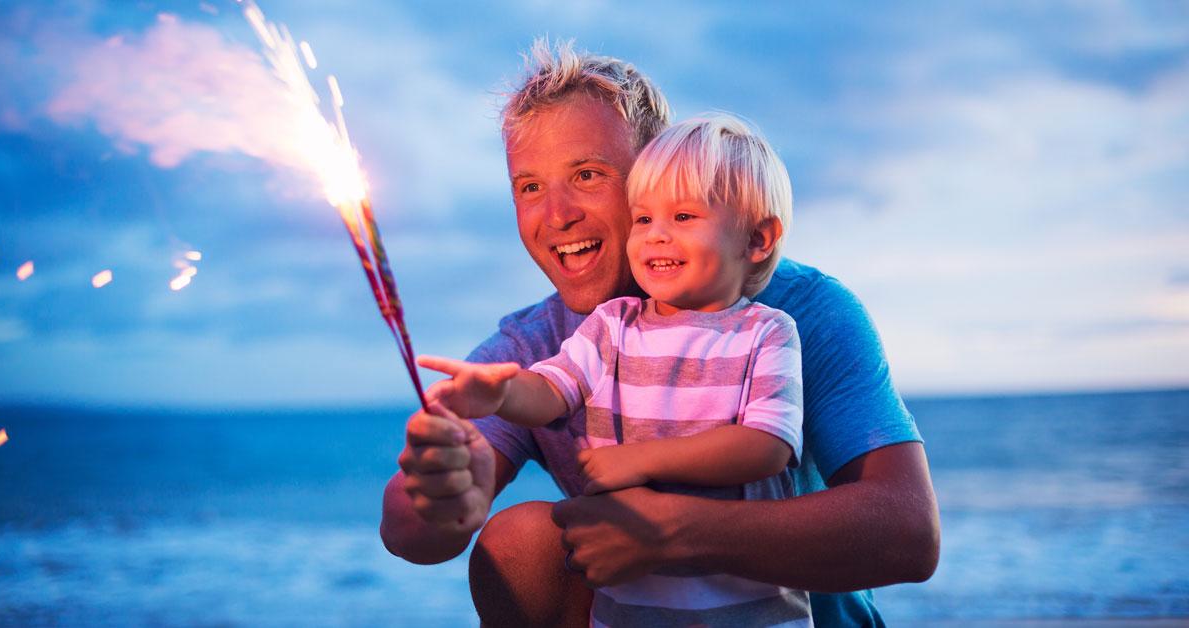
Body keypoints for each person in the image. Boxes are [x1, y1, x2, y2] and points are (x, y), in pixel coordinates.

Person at [380, 39, 940, 627]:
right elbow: (411, 530)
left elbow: (909, 530)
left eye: (588, 174)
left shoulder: (797, 313)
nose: (555, 215)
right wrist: (442, 497)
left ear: (659, 171)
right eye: (529, 187)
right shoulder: (535, 344)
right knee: (519, 541)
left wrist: (675, 531)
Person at [417, 113, 813, 626]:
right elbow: (551, 389)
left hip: (748, 613)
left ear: (758, 239)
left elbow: (766, 446)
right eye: (644, 219)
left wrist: (643, 460)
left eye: (684, 218)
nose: (656, 237)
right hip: (630, 611)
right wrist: (500, 394)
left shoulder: (767, 331)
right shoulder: (612, 326)